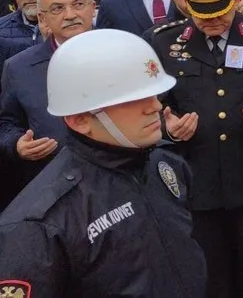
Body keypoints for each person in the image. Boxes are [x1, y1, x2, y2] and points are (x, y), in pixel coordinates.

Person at [0, 29, 206, 297]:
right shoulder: (41, 224)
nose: (155, 107)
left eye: (155, 94)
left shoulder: (164, 163)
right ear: (79, 120)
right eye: (133, 100)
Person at [149, 0, 243, 298]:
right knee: (211, 270)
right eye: (202, 15)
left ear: (235, 0)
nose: (211, 22)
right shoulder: (165, 41)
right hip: (197, 176)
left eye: (220, 14)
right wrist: (168, 129)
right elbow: (154, 104)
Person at [0, 0, 97, 206]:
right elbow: (6, 122)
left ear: (93, 8)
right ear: (42, 19)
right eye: (57, 9)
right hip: (54, 187)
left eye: (79, 4)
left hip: (123, 179)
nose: (70, 14)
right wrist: (17, 145)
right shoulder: (18, 67)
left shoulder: (124, 51)